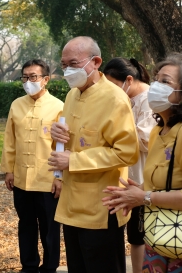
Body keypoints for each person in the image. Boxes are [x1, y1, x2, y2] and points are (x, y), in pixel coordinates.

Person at [102, 53, 182, 273]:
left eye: (165, 81)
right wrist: (137, 192)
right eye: (156, 79)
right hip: (159, 238)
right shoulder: (160, 130)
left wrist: (146, 197)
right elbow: (165, 183)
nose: (155, 85)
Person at [47, 36, 139, 273]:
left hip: (101, 208)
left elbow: (126, 153)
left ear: (96, 62)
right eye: (64, 64)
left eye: (74, 64)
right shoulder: (71, 95)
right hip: (70, 206)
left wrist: (74, 160)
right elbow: (69, 144)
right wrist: (56, 137)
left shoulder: (115, 98)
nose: (67, 70)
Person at [1, 59, 64, 273]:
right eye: (25, 77)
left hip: (47, 180)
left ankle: (50, 267)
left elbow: (62, 146)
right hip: (21, 178)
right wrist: (9, 170)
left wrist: (59, 177)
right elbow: (10, 140)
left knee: (50, 228)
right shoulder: (16, 105)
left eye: (34, 77)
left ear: (45, 80)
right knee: (26, 225)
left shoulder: (59, 107)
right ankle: (28, 267)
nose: (29, 81)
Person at [103, 57, 156, 273]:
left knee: (140, 235)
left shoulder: (150, 99)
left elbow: (146, 140)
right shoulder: (127, 98)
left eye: (114, 86)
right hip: (126, 177)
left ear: (128, 80)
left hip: (143, 179)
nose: (111, 92)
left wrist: (113, 131)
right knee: (132, 234)